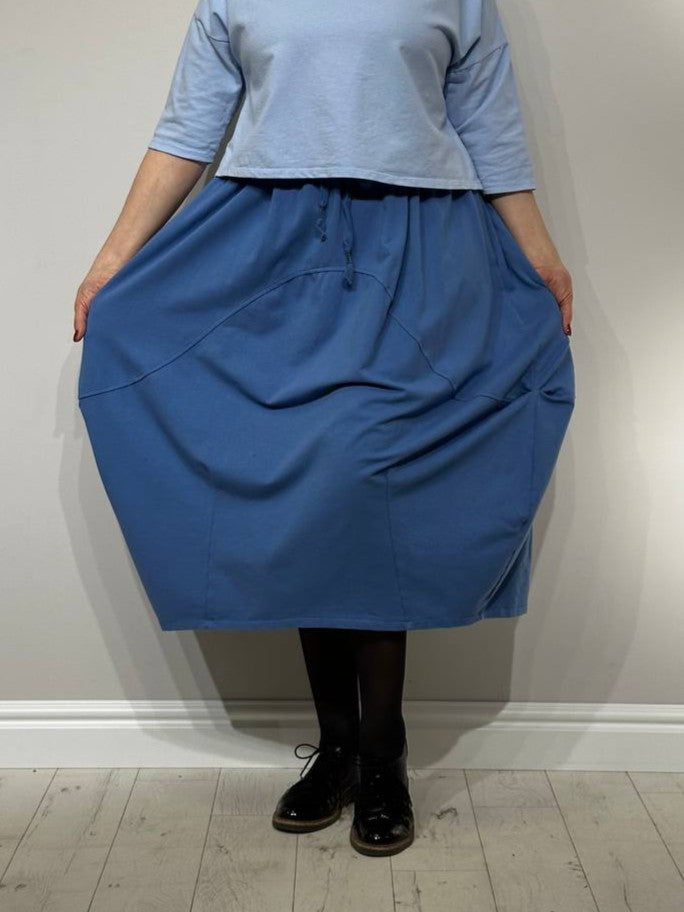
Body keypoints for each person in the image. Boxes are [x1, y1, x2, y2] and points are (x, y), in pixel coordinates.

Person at [73, 0, 575, 857]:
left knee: (365, 490)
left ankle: (382, 755)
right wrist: (111, 265)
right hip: (268, 247)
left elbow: (490, 128)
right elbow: (188, 128)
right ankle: (339, 749)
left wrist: (541, 258)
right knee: (309, 497)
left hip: (423, 247)